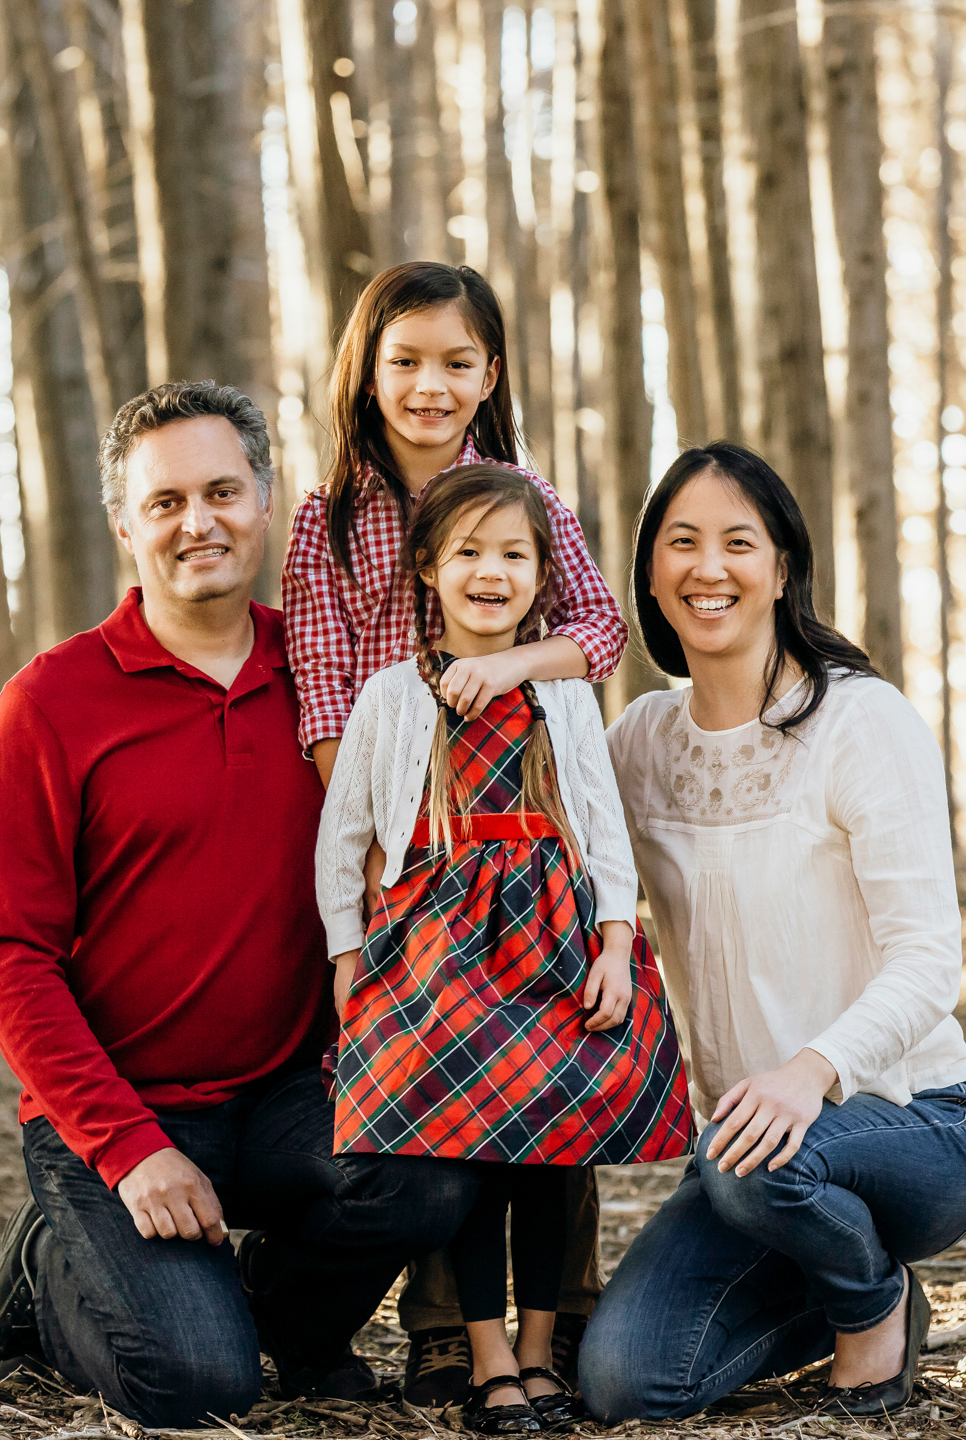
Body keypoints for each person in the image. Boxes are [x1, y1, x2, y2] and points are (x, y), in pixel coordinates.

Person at [0, 382, 476, 1428]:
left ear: (267, 499)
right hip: (122, 1111)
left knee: (432, 1177)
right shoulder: (52, 703)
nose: (199, 523)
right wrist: (128, 1148)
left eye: (223, 491)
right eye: (165, 503)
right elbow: (14, 957)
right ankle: (48, 1276)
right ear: (125, 525)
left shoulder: (336, 684)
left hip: (289, 1095)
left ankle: (273, 1319)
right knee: (197, 1387)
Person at [580, 443, 966, 1421]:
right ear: (650, 573)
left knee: (753, 1157)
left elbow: (930, 961)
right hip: (748, 1154)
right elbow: (563, 862)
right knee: (627, 1382)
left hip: (913, 1124)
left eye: (739, 542)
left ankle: (873, 1303)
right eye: (682, 543)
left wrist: (809, 1070)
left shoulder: (860, 721)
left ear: (781, 569)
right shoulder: (639, 742)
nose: (709, 567)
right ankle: (833, 1275)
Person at [283, 260, 626, 1398]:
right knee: (435, 1076)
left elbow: (598, 629)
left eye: (457, 363)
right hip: (408, 838)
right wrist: (388, 821)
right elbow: (326, 692)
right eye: (406, 362)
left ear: (492, 374)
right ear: (366, 372)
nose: (431, 386)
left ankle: (558, 1313)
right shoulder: (329, 522)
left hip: (526, 830)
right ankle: (445, 1323)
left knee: (546, 1058)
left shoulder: (530, 499)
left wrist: (513, 665)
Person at [316, 465, 692, 1433]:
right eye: (469, 553)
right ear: (429, 571)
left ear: (540, 579)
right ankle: (487, 1358)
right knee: (468, 1147)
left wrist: (617, 942)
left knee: (550, 1151)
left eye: (514, 555)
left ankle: (538, 1351)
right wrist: (348, 960)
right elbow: (342, 839)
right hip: (435, 953)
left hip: (551, 946)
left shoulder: (563, 697)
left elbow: (604, 827)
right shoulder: (392, 698)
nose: (492, 571)